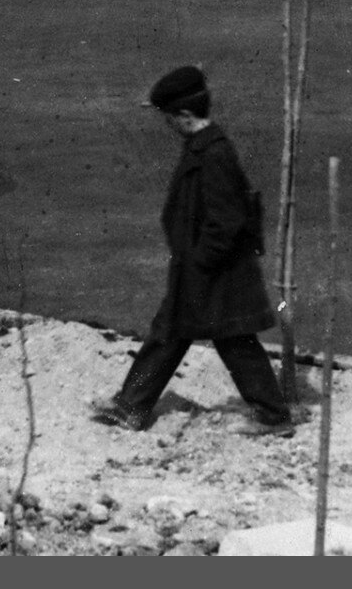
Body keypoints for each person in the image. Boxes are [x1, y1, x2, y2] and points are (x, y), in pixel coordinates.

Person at [91, 66, 294, 436]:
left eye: (169, 118)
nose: (168, 125)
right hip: (204, 271)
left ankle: (273, 416)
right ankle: (132, 405)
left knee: (219, 340)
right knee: (179, 335)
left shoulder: (214, 155)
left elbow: (227, 219)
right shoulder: (205, 147)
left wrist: (200, 262)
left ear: (185, 116)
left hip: (212, 273)